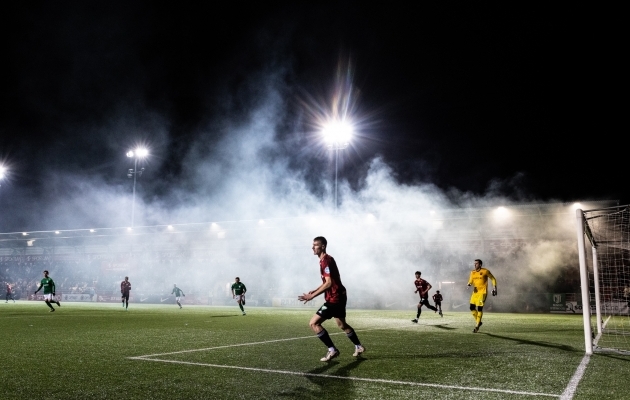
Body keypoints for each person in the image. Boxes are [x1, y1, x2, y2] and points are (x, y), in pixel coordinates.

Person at [298, 236, 365, 362]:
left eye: (315, 245)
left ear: (322, 246)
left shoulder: (325, 261)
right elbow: (329, 281)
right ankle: (359, 346)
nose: (312, 247)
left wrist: (312, 296)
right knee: (342, 324)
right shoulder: (325, 260)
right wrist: (315, 289)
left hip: (335, 298)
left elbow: (328, 283)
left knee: (314, 323)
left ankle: (332, 350)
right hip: (339, 295)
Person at [467, 259, 497, 333]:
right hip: (475, 293)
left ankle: (477, 325)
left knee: (479, 308)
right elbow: (470, 281)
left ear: (480, 264)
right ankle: (479, 321)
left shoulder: (485, 271)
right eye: (474, 264)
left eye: (476, 264)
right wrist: (469, 284)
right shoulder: (472, 272)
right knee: (471, 308)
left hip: (482, 292)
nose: (475, 265)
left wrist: (494, 288)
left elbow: (493, 279)